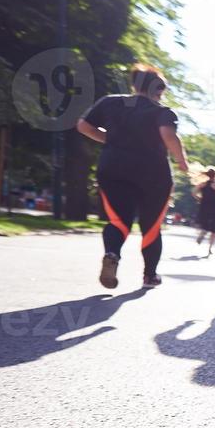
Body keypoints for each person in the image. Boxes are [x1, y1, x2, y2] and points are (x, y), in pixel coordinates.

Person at [76, 64, 189, 289]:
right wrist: (182, 162)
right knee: (152, 225)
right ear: (159, 90)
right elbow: (168, 135)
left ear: (134, 85)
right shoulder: (162, 112)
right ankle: (150, 275)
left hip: (113, 168)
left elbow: (83, 126)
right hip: (153, 174)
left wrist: (110, 140)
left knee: (119, 220)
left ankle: (112, 254)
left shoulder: (110, 102)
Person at [191, 166, 215, 257]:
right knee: (214, 229)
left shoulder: (202, 184)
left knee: (204, 224)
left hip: (204, 207)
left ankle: (203, 230)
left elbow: (193, 193)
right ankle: (210, 248)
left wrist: (200, 198)